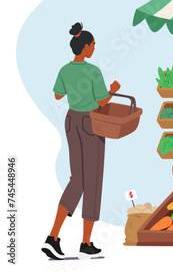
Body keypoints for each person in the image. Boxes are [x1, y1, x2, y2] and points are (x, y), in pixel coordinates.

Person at [42, 22, 120, 260]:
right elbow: (103, 102)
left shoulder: (65, 70)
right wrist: (114, 89)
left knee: (77, 180)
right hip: (91, 123)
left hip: (71, 122)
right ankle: (85, 242)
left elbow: (57, 94)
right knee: (92, 181)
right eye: (93, 44)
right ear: (85, 46)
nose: (95, 47)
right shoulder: (93, 71)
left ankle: (53, 236)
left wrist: (75, 92)